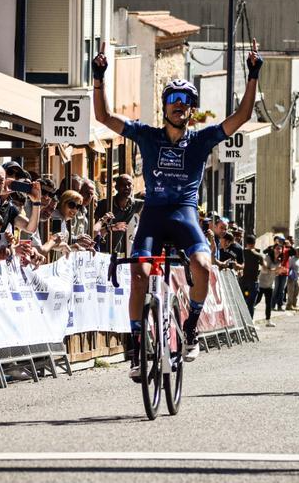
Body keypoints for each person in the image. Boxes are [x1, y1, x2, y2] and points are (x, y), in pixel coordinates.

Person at [93, 37, 263, 375]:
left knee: (202, 266)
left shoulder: (201, 140)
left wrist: (253, 74)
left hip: (184, 213)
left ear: (192, 109)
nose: (179, 105)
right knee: (139, 275)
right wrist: (98, 77)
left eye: (186, 101)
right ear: (165, 105)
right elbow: (103, 116)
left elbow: (242, 116)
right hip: (154, 215)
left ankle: (190, 329)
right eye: (174, 99)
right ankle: (139, 349)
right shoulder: (147, 135)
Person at [94, 174, 143, 255]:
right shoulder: (104, 204)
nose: (127, 187)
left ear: (133, 186)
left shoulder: (135, 205)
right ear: (116, 187)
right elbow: (93, 231)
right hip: (99, 250)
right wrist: (111, 227)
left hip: (117, 252)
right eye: (123, 185)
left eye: (129, 184)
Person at [239, 234, 263, 318]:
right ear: (254, 243)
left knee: (244, 302)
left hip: (244, 281)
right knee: (250, 303)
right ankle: (250, 321)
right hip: (251, 282)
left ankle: (244, 321)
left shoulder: (242, 252)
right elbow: (263, 263)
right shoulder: (257, 254)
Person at [256, 244, 280, 327]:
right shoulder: (268, 257)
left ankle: (268, 321)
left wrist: (279, 271)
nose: (279, 250)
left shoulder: (279, 260)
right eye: (277, 249)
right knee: (256, 301)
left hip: (270, 284)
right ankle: (248, 318)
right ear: (273, 250)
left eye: (280, 249)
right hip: (261, 283)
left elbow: (275, 273)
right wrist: (274, 270)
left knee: (268, 303)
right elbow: (264, 269)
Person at [271, 235, 289, 311]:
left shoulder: (287, 250)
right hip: (277, 272)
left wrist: (289, 245)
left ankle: (280, 306)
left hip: (284, 273)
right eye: (280, 241)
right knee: (276, 289)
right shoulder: (275, 249)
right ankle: (272, 306)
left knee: (281, 290)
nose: (281, 242)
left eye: (282, 241)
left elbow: (294, 252)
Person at [286, 246, 299, 312]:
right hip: (291, 277)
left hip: (297, 278)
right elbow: (288, 267)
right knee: (291, 292)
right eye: (298, 251)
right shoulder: (292, 259)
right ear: (295, 251)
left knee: (297, 290)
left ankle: (294, 304)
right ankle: (289, 305)